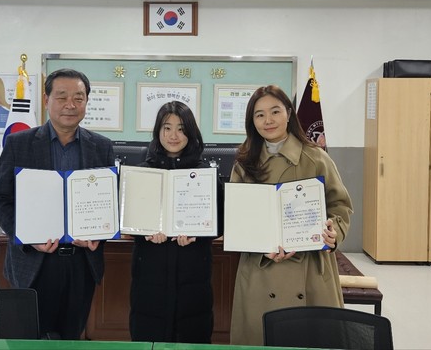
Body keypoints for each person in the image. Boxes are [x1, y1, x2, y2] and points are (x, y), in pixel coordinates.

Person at [0, 68, 115, 340]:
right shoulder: (19, 143)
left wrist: (99, 235)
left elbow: (109, 203)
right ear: (46, 100)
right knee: (31, 338)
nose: (70, 105)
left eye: (78, 98)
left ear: (86, 102)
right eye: (62, 97)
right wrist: (27, 236)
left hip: (82, 263)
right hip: (34, 262)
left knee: (71, 337)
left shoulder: (101, 147)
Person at [228, 85, 353, 346]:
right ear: (252, 121)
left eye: (275, 111)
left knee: (309, 341)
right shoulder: (244, 163)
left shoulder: (316, 157)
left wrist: (334, 231)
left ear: (288, 113)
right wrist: (261, 248)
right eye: (260, 115)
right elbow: (238, 219)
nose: (268, 120)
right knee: (262, 340)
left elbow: (340, 205)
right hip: (260, 269)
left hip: (311, 271)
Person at [129, 101, 224, 343]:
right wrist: (144, 232)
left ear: (191, 132)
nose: (173, 135)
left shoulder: (205, 174)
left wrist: (198, 234)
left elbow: (220, 222)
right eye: (167, 128)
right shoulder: (142, 173)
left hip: (193, 274)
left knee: (192, 337)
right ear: (158, 131)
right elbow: (129, 219)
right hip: (151, 273)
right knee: (149, 338)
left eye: (181, 129)